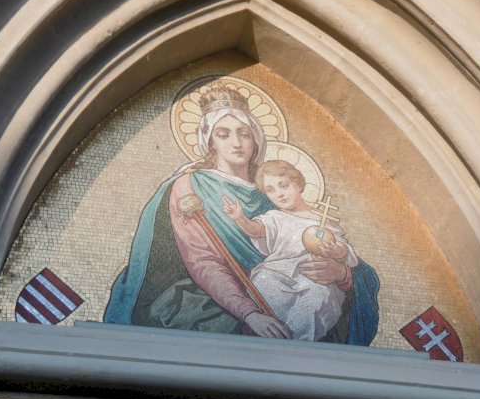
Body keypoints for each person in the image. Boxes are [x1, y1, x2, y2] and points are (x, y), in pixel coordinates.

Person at [103, 84, 379, 344]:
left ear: (256, 139)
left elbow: (332, 248)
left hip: (296, 293)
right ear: (210, 141)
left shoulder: (274, 191)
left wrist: (342, 274)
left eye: (244, 134)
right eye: (223, 134)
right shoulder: (191, 187)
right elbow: (203, 261)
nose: (237, 143)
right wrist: (250, 313)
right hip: (224, 298)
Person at [222, 160, 358, 341]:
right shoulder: (275, 217)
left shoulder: (323, 220)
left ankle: (298, 343)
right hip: (277, 273)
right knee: (263, 282)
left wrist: (336, 252)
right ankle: (272, 337)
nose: (279, 194)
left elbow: (342, 249)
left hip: (312, 278)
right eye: (270, 190)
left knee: (316, 298)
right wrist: (240, 218)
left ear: (298, 184)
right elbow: (256, 230)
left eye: (284, 185)